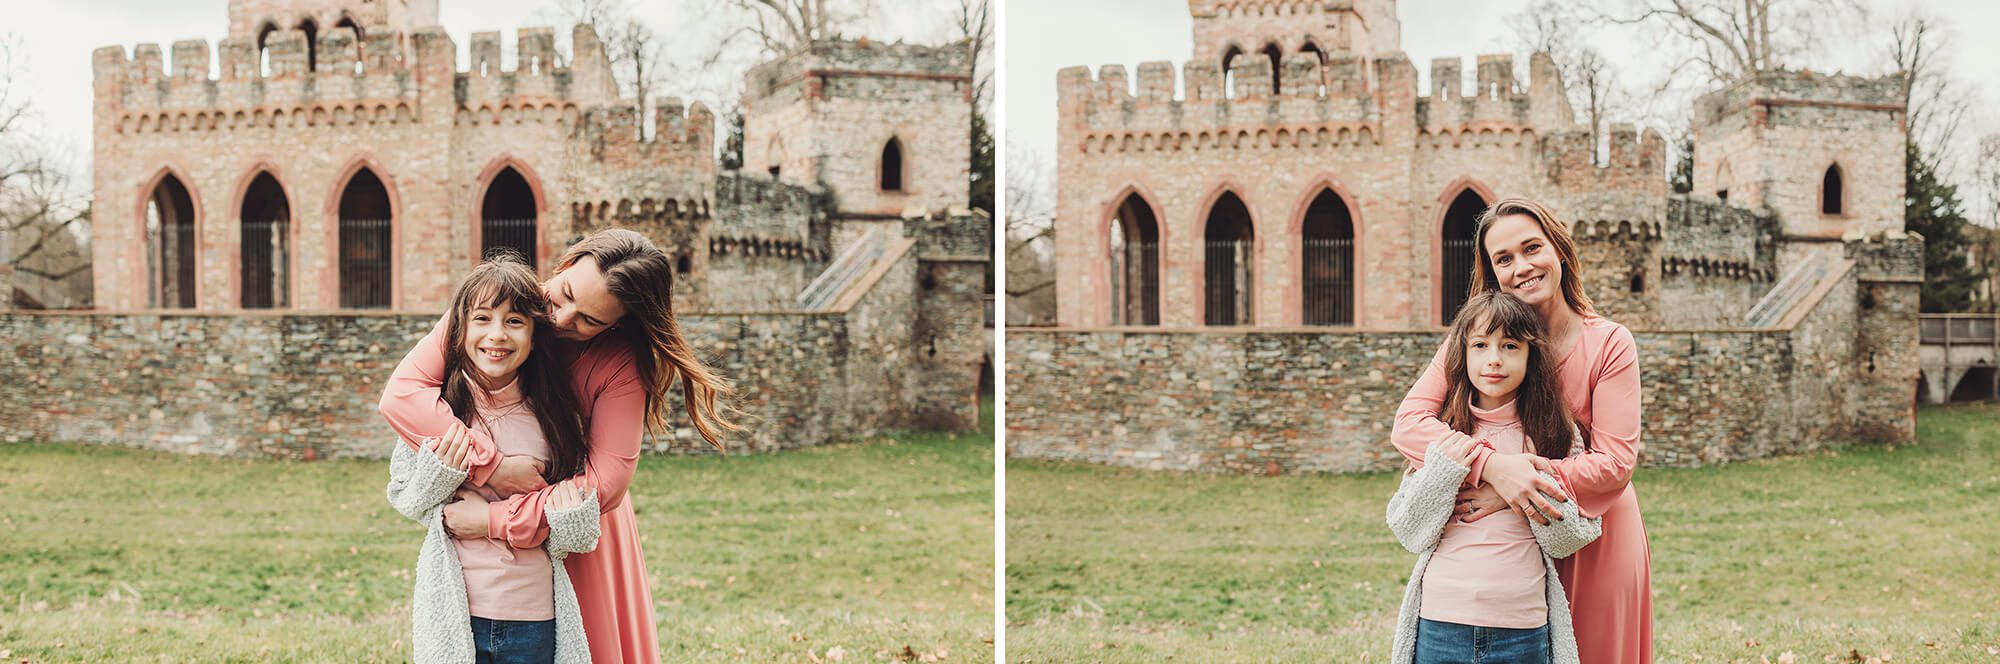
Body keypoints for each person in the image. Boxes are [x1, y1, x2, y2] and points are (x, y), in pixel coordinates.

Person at [381, 230, 741, 664]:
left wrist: (494, 519)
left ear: (617, 325)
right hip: (484, 565)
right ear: (565, 265)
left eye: (589, 319)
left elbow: (604, 486)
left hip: (570, 523)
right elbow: (402, 395)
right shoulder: (504, 305)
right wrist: (490, 465)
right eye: (565, 293)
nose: (563, 318)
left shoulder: (620, 365)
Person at [1391, 197, 1653, 662]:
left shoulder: (1610, 343)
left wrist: (1519, 488)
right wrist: (1492, 468)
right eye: (1504, 259)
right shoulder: (1475, 342)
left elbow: (1614, 464)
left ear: (1559, 250)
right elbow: (1409, 424)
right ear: (1491, 273)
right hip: (1499, 562)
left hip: (1591, 533)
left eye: (1532, 248)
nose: (1523, 267)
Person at [384, 254, 601, 664]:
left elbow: (577, 530)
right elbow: (407, 499)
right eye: (482, 319)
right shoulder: (439, 410)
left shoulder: (556, 419)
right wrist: (446, 473)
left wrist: (517, 517)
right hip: (456, 609)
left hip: (535, 615)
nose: (497, 335)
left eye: (515, 322)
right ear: (459, 330)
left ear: (535, 336)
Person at [1385, 290, 1601, 664]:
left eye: (1511, 346)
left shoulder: (1552, 434)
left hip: (1521, 624)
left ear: (1532, 356)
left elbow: (1571, 536)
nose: (1494, 360)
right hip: (1441, 620)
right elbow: (1409, 528)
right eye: (1481, 345)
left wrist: (1522, 489)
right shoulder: (1445, 435)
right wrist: (1450, 473)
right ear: (1462, 355)